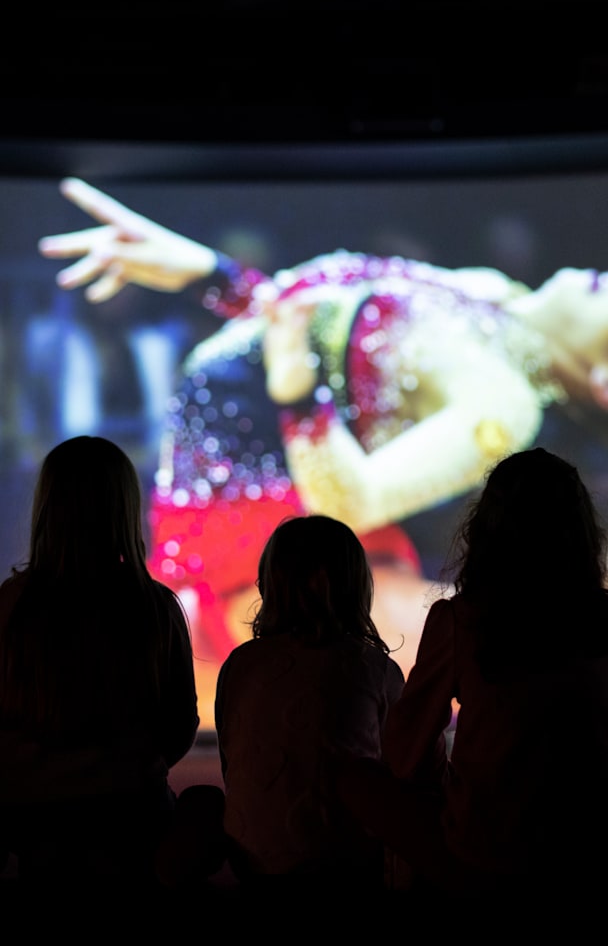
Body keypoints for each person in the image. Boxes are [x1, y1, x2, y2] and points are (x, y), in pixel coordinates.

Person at [37, 178, 608, 706]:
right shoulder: (494, 295)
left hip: (253, 517)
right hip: (223, 472)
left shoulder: (503, 404)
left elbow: (346, 503)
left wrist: (300, 395)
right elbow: (317, 321)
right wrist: (209, 275)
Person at [333, 447, 608, 908]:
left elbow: (405, 753)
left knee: (355, 778)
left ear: (487, 527)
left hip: (489, 859)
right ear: (581, 531)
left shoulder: (462, 618)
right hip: (588, 855)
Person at [0, 434, 206, 885]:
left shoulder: (9, 605)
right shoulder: (156, 606)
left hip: (29, 814)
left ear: (46, 506)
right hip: (132, 810)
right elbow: (181, 723)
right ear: (125, 509)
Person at [213, 512, 405, 884]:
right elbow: (400, 765)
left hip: (252, 867)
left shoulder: (239, 663)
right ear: (357, 585)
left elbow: (230, 762)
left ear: (269, 583)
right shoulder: (375, 667)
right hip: (347, 868)